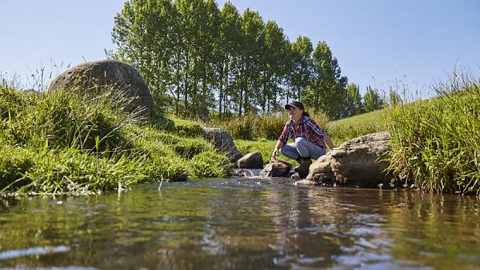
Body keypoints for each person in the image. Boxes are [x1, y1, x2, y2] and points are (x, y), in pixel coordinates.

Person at [271, 101, 335, 178]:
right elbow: (282, 137)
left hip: (318, 151)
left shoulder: (307, 121)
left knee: (299, 141)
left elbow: (323, 135)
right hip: (303, 150)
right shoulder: (289, 124)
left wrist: (333, 150)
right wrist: (276, 149)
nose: (291, 111)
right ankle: (304, 163)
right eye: (289, 109)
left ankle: (306, 164)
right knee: (283, 149)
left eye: (294, 109)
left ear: (301, 111)